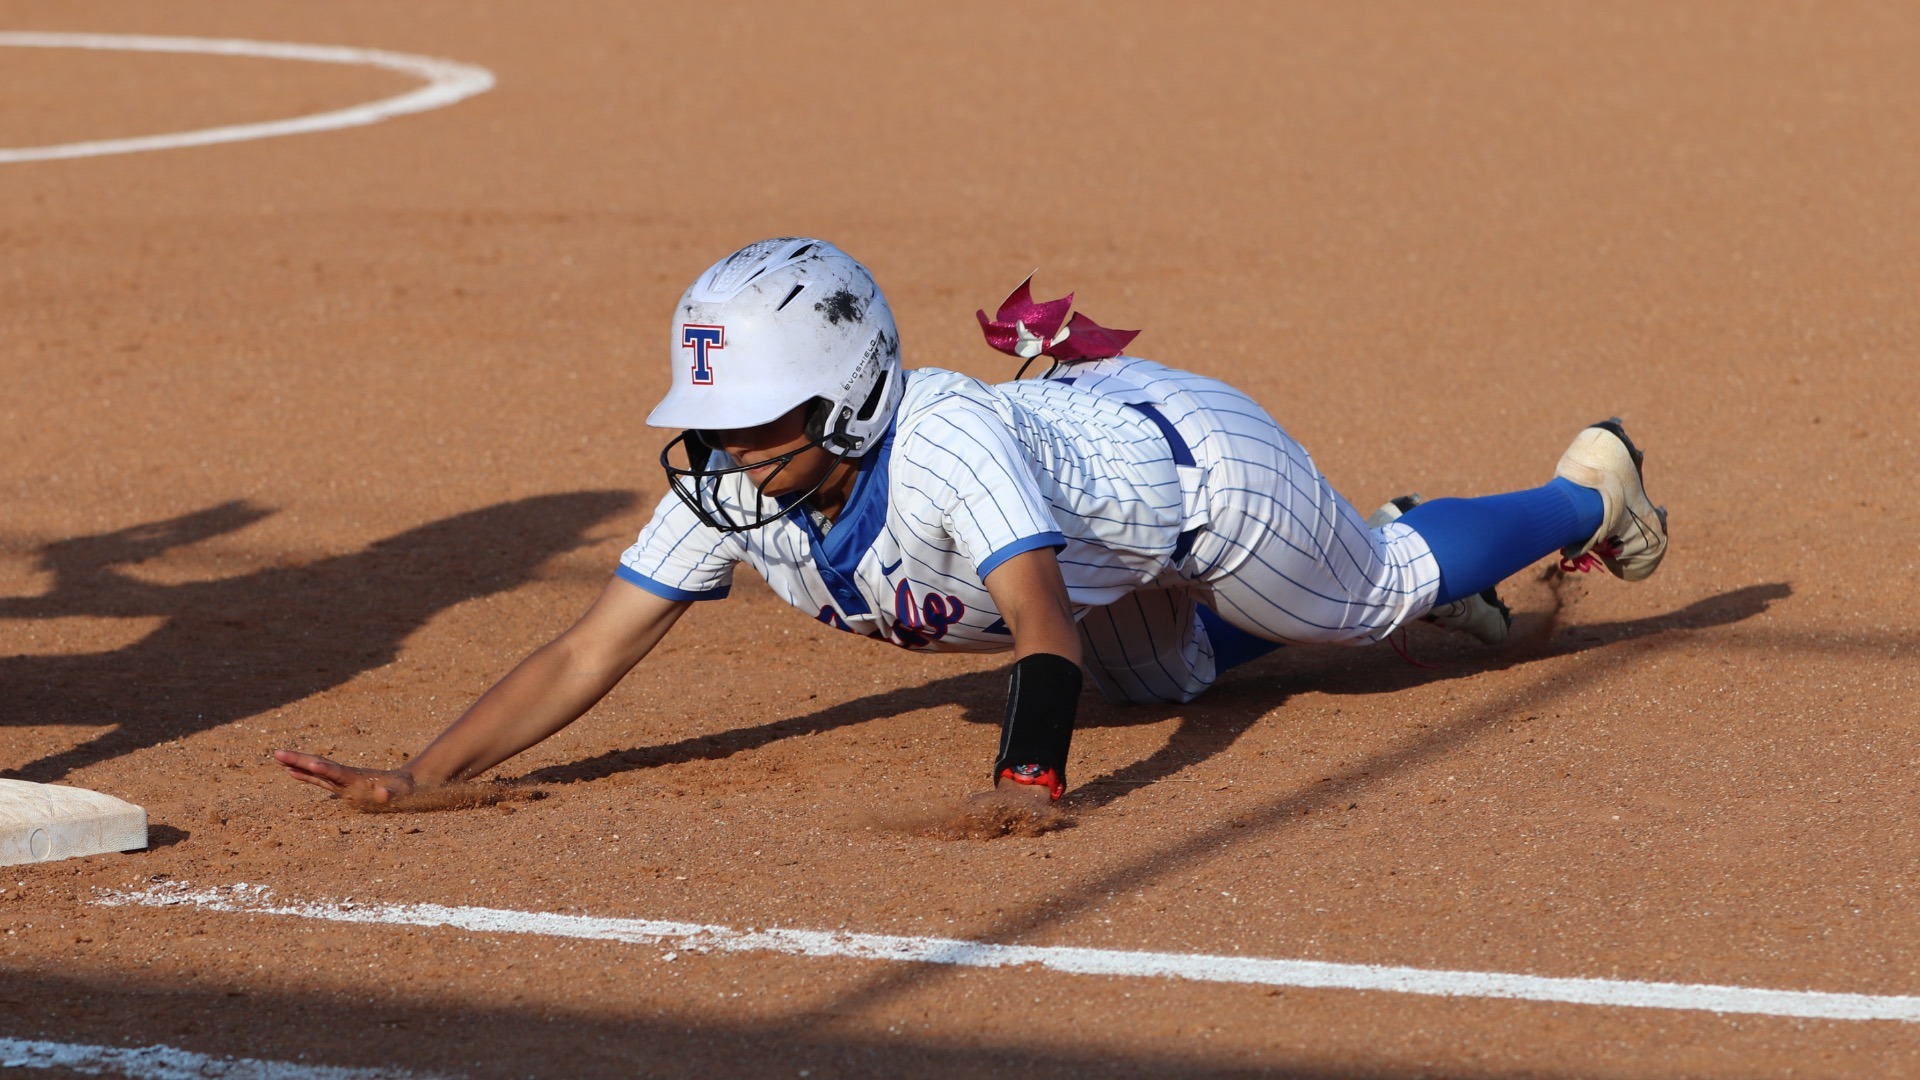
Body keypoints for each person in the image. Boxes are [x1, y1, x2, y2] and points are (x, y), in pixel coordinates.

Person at [277, 238, 1667, 808]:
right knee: (1164, 676)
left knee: (1364, 600)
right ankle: (1377, 553)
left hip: (1201, 479)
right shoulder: (742, 481)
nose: (732, 456)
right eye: (717, 423)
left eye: (764, 420)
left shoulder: (947, 446)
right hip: (1105, 522)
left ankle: (1582, 487)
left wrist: (1028, 785)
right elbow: (587, 654)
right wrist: (424, 773)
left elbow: (1043, 634)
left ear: (858, 397)